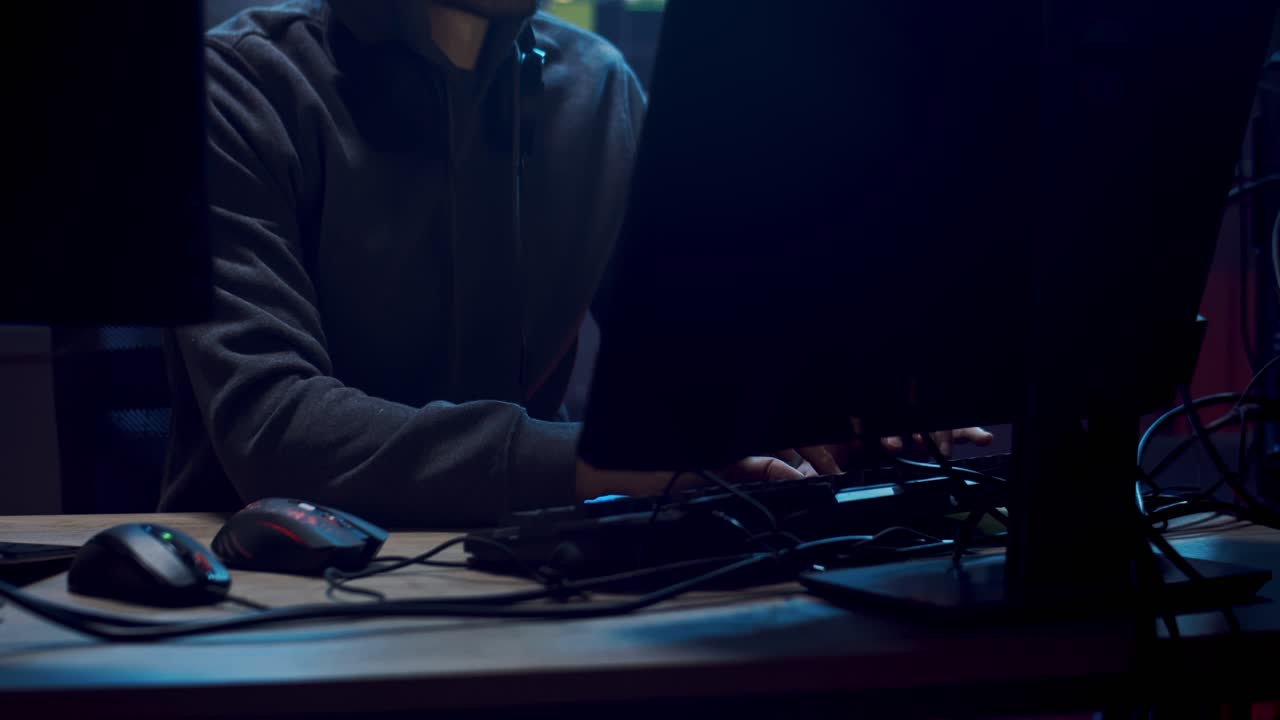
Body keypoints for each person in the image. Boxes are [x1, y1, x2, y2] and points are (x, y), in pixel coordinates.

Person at [160, 0, 990, 527]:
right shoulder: (241, 87)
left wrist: (825, 408)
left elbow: (704, 361)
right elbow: (274, 429)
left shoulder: (599, 90)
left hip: (521, 581)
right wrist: (596, 465)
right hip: (265, 606)